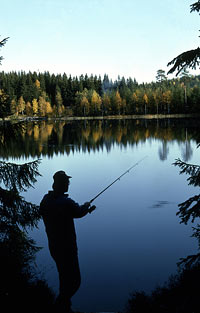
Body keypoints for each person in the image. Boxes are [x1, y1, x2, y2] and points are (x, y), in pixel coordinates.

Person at [39, 170, 96, 312]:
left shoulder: (45, 200)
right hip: (68, 248)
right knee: (75, 281)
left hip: (54, 247)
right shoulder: (65, 202)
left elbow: (72, 212)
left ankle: (64, 307)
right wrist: (87, 206)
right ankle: (59, 305)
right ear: (62, 184)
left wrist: (84, 209)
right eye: (67, 182)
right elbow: (78, 212)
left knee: (64, 279)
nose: (68, 184)